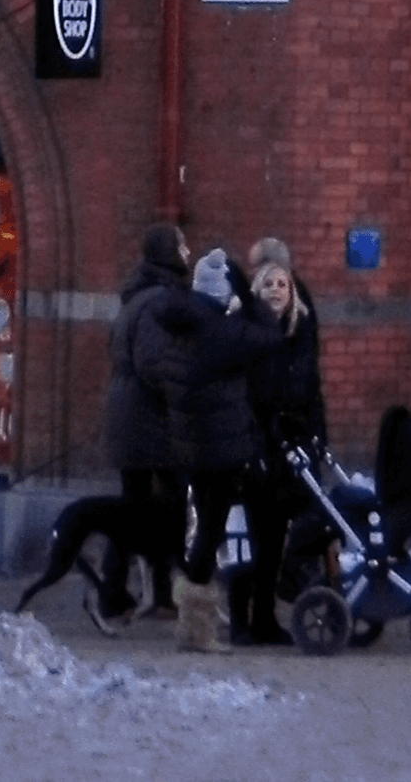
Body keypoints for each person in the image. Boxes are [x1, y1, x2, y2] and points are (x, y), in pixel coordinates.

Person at [135, 243, 279, 650]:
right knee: (212, 532)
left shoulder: (180, 324)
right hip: (222, 450)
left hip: (193, 446)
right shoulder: (218, 331)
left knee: (208, 531)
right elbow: (268, 337)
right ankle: (197, 628)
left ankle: (194, 624)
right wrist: (251, 298)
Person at [90, 221, 191, 630]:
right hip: (151, 424)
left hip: (131, 420)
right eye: (182, 246)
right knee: (165, 508)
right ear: (169, 252)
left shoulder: (138, 295)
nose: (188, 252)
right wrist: (183, 391)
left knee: (140, 509)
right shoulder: (159, 300)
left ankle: (152, 594)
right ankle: (114, 594)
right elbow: (153, 363)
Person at [230, 237, 326, 645]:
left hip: (288, 448)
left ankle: (266, 618)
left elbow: (312, 391)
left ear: (292, 291)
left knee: (272, 538)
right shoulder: (244, 332)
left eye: (281, 285)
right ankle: (239, 622)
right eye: (266, 285)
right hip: (253, 449)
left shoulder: (300, 332)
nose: (274, 291)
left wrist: (317, 435)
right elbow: (240, 395)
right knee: (244, 541)